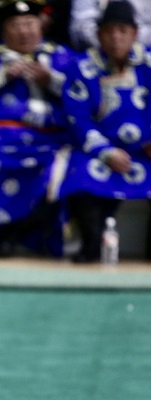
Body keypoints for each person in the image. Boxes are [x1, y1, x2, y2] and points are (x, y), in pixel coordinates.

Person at [0, 0, 75, 257]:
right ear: (3, 29)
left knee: (63, 165)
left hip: (49, 139)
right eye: (16, 25)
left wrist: (51, 80)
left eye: (29, 24)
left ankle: (26, 236)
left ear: (42, 25)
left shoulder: (63, 57)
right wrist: (3, 74)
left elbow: (86, 97)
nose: (24, 31)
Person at [59, 0, 151, 262]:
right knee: (78, 173)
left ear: (134, 33)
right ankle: (92, 248)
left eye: (123, 30)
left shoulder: (149, 63)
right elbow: (77, 118)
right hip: (98, 151)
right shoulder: (81, 67)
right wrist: (105, 151)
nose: (115, 37)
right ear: (98, 34)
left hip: (145, 152)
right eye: (109, 31)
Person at [70, 0, 151, 51]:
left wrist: (125, 39)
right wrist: (112, 42)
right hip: (95, 54)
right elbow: (81, 30)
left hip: (144, 53)